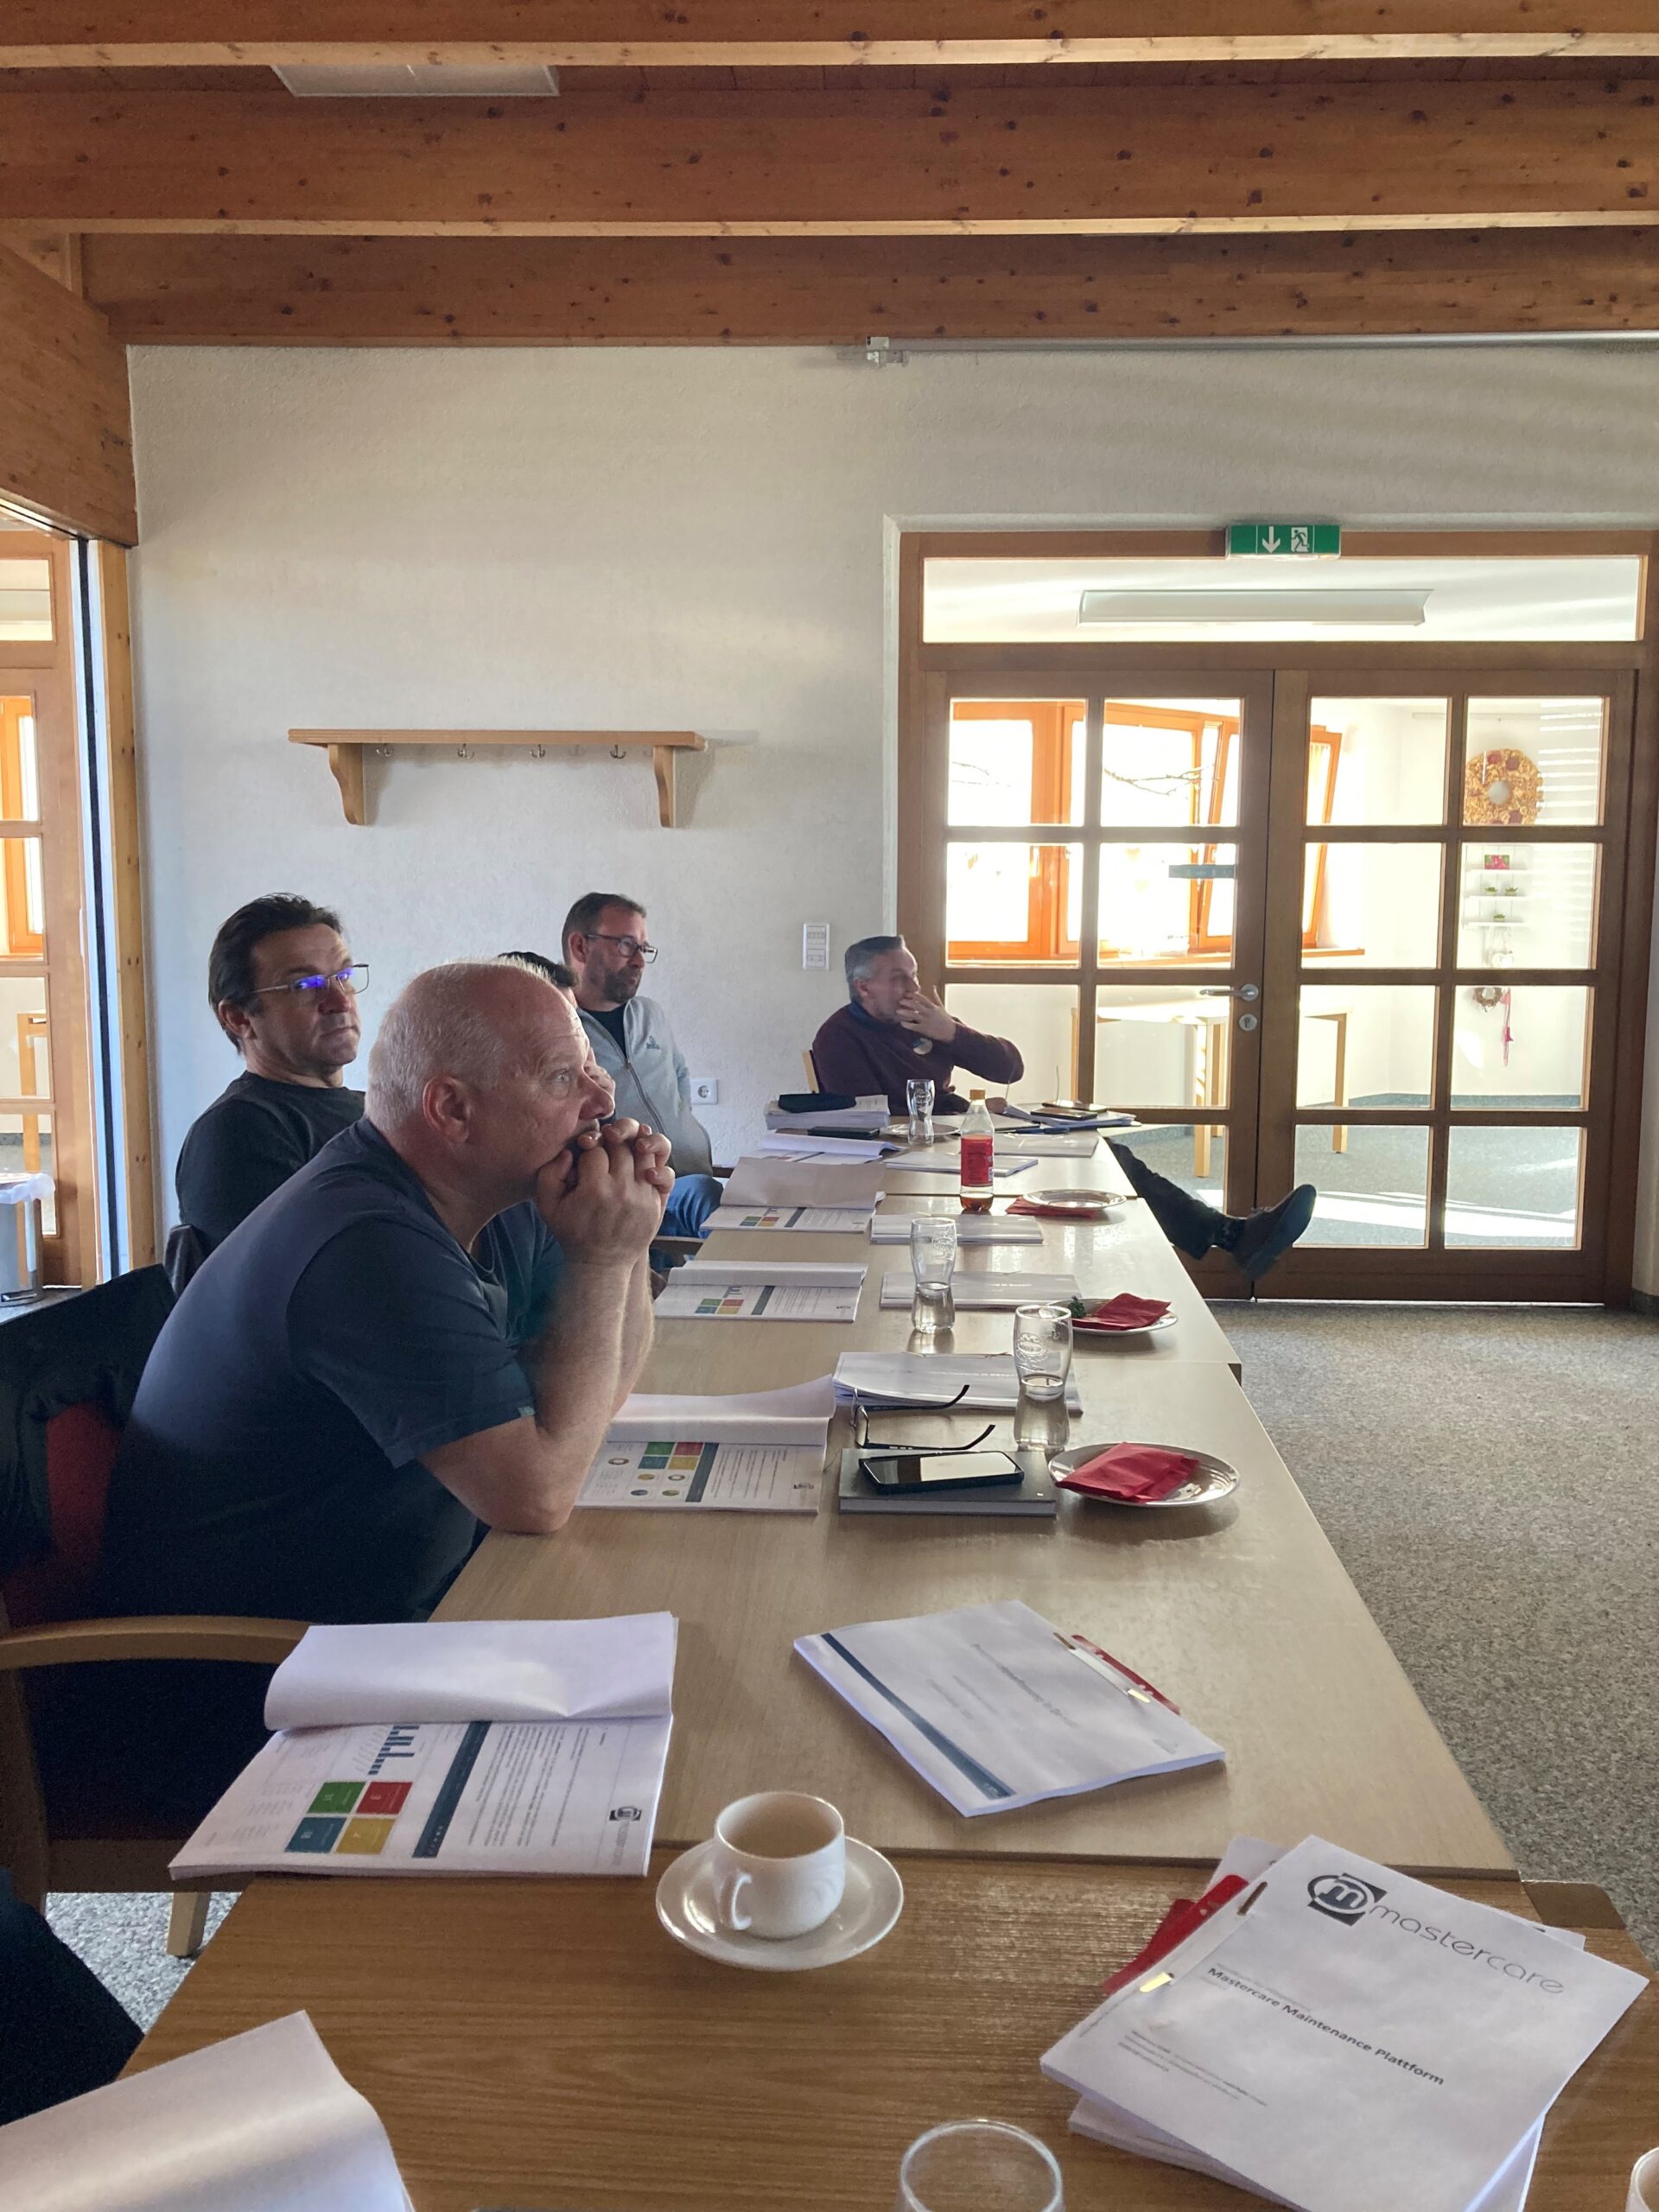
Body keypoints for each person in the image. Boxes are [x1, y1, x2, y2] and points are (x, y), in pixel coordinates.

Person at [106, 958, 671, 1633]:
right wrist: (607, 1257)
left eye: (591, 1070)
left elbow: (587, 1408)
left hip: (416, 1604)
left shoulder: (499, 1192)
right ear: (452, 1109)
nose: (602, 1102)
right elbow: (537, 1497)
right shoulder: (363, 1246)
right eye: (560, 1078)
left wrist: (625, 1232)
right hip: (262, 1662)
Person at [815, 934, 1314, 1276]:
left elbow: (1009, 1067)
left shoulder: (924, 1018)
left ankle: (1230, 1234)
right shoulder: (838, 1037)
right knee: (1099, 1162)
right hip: (929, 1157)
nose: (914, 988)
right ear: (864, 987)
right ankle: (1228, 1236)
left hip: (970, 1134)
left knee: (1106, 1152)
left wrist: (951, 1033)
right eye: (899, 979)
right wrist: (962, 1111)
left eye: (914, 974)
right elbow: (875, 1122)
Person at [175, 893, 367, 1253]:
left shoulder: (379, 1111)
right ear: (239, 1017)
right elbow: (297, 1275)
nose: (340, 1001)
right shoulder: (238, 1131)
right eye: (304, 985)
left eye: (344, 976)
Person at [562, 892, 723, 1239]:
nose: (639, 961)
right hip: (632, 1195)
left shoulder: (650, 1014)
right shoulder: (560, 1030)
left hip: (695, 1175)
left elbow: (679, 1073)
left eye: (643, 948)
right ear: (580, 947)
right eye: (625, 945)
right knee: (704, 1196)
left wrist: (682, 1129)